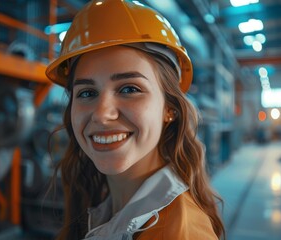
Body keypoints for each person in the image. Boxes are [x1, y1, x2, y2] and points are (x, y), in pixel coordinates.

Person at [45, 0, 224, 239]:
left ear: (169, 108)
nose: (101, 114)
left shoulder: (182, 232)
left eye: (129, 89)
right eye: (87, 93)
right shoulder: (103, 206)